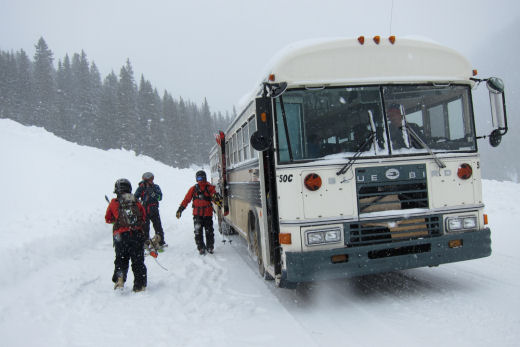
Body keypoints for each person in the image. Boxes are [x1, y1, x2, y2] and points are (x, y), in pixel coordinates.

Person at [105, 178, 147, 292]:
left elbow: (108, 219)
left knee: (121, 259)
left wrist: (117, 220)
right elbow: (143, 217)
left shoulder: (114, 202)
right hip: (136, 234)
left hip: (120, 236)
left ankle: (120, 279)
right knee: (137, 261)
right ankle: (139, 285)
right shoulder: (135, 201)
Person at [176, 170, 222, 255]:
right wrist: (180, 209)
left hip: (207, 214)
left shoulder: (210, 188)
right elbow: (186, 200)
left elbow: (216, 200)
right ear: (196, 179)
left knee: (209, 232)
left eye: (201, 177)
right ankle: (201, 248)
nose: (200, 180)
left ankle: (210, 247)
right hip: (197, 215)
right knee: (198, 232)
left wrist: (218, 201)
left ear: (205, 177)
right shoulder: (193, 189)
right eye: (198, 178)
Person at [134, 172, 165, 249]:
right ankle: (145, 242)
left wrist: (153, 194)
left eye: (152, 179)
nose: (151, 181)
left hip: (154, 210)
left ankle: (160, 242)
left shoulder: (156, 187)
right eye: (149, 180)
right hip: (144, 210)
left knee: (158, 226)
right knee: (145, 228)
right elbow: (135, 197)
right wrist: (139, 202)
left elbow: (160, 198)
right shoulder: (141, 188)